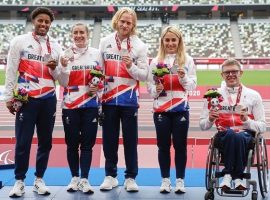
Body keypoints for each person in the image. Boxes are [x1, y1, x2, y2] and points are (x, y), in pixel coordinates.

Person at [4, 7, 62, 197]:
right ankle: (19, 181)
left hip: (48, 100)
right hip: (26, 99)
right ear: (33, 21)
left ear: (50, 25)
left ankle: (39, 179)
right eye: (40, 21)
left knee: (45, 142)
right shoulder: (19, 41)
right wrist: (8, 97)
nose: (43, 24)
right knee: (23, 142)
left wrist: (55, 69)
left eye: (47, 22)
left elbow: (61, 78)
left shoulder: (56, 46)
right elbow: (11, 70)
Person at [98, 7, 149, 192]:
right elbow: (99, 71)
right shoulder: (105, 42)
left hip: (129, 101)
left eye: (129, 22)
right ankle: (110, 175)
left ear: (133, 25)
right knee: (109, 140)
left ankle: (130, 177)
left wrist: (131, 66)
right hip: (109, 99)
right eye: (122, 21)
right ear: (116, 21)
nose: (125, 25)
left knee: (130, 140)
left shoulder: (140, 46)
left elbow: (144, 75)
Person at [199, 58, 266, 190]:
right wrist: (210, 119)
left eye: (234, 71)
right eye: (227, 72)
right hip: (224, 136)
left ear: (241, 73)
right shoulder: (213, 96)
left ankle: (228, 174)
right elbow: (203, 126)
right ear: (222, 75)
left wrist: (247, 120)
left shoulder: (253, 95)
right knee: (230, 133)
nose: (231, 75)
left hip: (246, 136)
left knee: (239, 136)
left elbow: (263, 126)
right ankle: (238, 176)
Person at [147, 26, 197, 193]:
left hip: (180, 110)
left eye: (173, 40)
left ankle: (180, 180)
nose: (170, 43)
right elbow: (149, 88)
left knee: (180, 146)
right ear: (162, 41)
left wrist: (183, 78)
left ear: (179, 41)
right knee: (163, 146)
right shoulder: (155, 62)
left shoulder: (187, 60)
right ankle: (165, 180)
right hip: (161, 110)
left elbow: (192, 85)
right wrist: (157, 90)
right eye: (167, 40)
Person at [58, 23, 103, 194]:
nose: (79, 35)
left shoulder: (96, 54)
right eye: (75, 32)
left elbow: (102, 79)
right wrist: (62, 66)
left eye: (81, 32)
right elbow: (62, 82)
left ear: (88, 34)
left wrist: (97, 89)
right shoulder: (65, 54)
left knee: (87, 145)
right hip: (70, 106)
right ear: (71, 35)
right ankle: (74, 178)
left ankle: (84, 179)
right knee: (71, 145)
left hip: (90, 106)